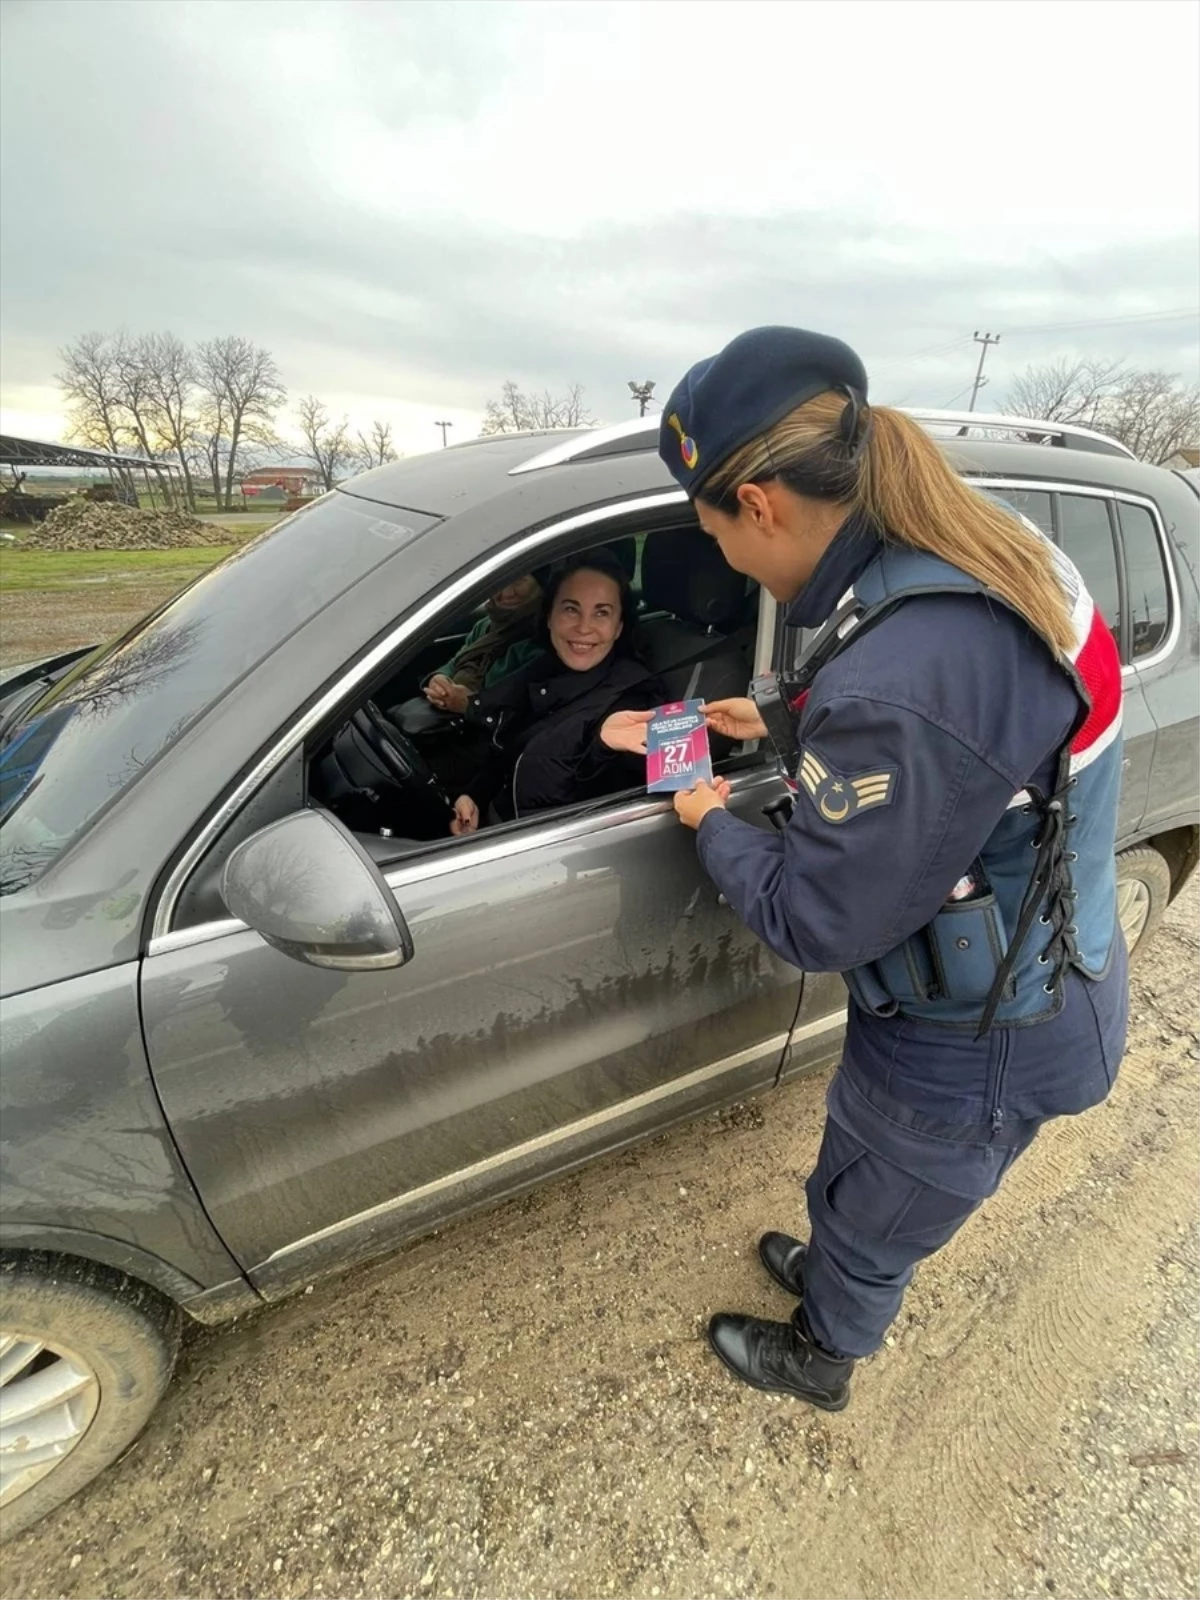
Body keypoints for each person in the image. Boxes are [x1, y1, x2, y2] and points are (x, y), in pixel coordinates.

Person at [653, 325, 1128, 1413]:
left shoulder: (909, 677)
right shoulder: (975, 545)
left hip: (977, 1039)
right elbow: (962, 750)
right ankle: (834, 1272)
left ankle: (824, 1350)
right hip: (1039, 971)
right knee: (865, 1182)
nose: (725, 558)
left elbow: (819, 921)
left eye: (716, 533)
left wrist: (707, 812)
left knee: (879, 1203)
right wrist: (785, 719)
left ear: (762, 505)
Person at [449, 553, 667, 833]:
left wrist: (601, 749)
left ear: (618, 627)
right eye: (571, 609)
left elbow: (618, 803)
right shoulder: (542, 670)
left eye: (602, 612)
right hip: (497, 827)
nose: (584, 627)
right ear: (549, 616)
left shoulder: (637, 699)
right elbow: (512, 745)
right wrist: (474, 795)